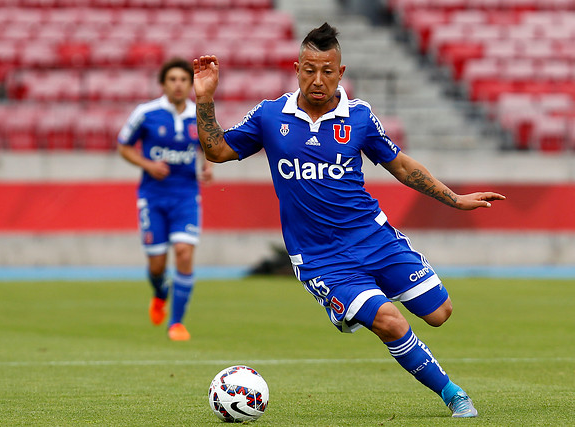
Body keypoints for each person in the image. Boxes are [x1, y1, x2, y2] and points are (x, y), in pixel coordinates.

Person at [193, 23, 505, 417]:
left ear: (341, 73)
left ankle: (367, 299)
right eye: (309, 70)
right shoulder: (271, 115)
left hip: (374, 238)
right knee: (390, 322)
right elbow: (217, 151)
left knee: (440, 313)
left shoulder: (358, 117)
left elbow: (403, 166)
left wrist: (456, 199)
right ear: (296, 69)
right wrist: (205, 99)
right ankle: (453, 394)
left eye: (327, 71)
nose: (317, 80)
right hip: (321, 258)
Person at [118, 58, 213, 341]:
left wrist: (208, 166)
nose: (179, 85)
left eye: (184, 79)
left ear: (190, 84)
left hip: (185, 195)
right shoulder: (145, 113)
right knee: (157, 265)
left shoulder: (200, 116)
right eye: (172, 79)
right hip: (153, 196)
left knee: (184, 252)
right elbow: (123, 146)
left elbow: (210, 147)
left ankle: (177, 323)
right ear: (163, 84)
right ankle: (160, 293)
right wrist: (148, 165)